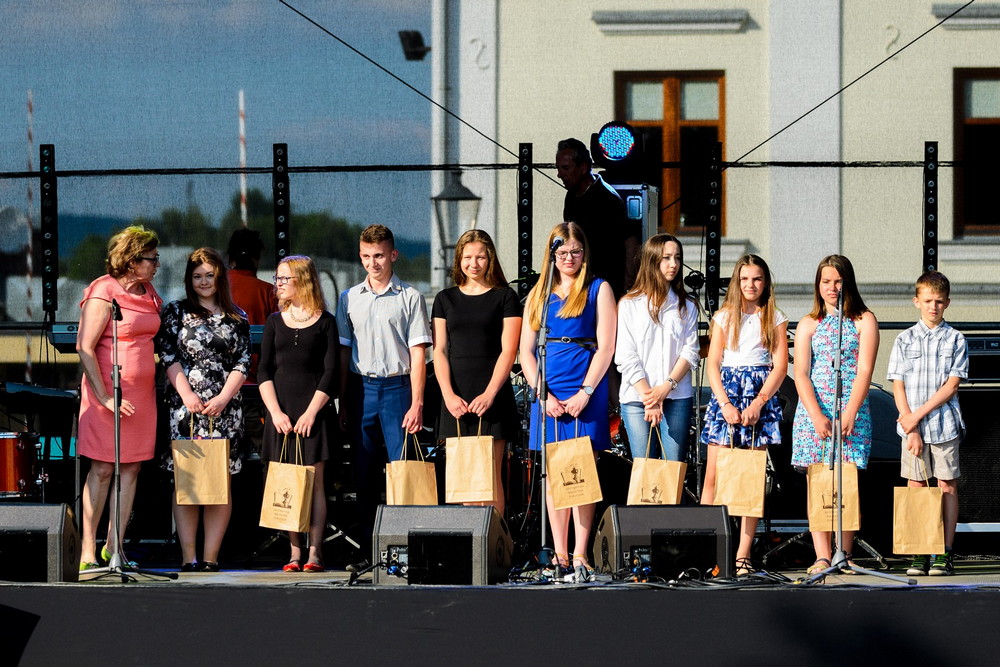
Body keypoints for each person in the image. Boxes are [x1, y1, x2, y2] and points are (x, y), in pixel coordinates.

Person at [519, 221, 616, 575]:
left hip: (584, 383)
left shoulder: (598, 289)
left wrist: (586, 393)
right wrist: (540, 393)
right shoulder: (539, 293)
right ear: (552, 254)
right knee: (554, 470)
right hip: (549, 387)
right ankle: (559, 552)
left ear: (584, 253)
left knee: (580, 471)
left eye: (575, 251)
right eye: (562, 252)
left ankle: (580, 552)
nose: (569, 258)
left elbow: (606, 347)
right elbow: (526, 352)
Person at [337, 224, 432, 555]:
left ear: (393, 255)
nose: (372, 263)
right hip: (361, 390)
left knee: (402, 471)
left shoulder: (411, 297)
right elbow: (344, 351)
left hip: (398, 389)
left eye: (378, 255)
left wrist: (417, 402)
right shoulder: (347, 298)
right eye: (366, 256)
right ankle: (368, 549)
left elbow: (419, 354)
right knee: (364, 473)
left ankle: (405, 546)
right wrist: (344, 402)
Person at [156, 247, 250, 572]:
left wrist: (224, 397)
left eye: (209, 275)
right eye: (197, 276)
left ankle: (210, 557)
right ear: (189, 279)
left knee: (218, 481)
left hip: (225, 408)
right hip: (186, 410)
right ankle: (188, 557)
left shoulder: (238, 316)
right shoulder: (176, 311)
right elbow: (168, 355)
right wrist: (187, 396)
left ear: (220, 276)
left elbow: (243, 362)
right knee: (188, 481)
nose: (203, 281)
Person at [76, 225, 162, 570]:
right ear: (130, 260)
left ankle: (115, 548)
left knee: (131, 468)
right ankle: (85, 550)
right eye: (151, 258)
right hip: (106, 392)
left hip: (141, 395)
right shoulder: (103, 290)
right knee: (101, 468)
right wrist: (105, 396)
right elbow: (84, 347)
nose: (157, 264)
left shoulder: (149, 291)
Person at [699, 255, 788, 576]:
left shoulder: (774, 317)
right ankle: (708, 549)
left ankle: (742, 554)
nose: (751, 285)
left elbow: (780, 366)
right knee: (714, 477)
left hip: (759, 398)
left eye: (757, 279)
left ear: (766, 283)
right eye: (745, 279)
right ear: (737, 282)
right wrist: (724, 403)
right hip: (727, 395)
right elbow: (713, 363)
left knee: (751, 479)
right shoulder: (723, 317)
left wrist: (760, 402)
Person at [791, 254, 879, 576]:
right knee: (820, 481)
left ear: (848, 282)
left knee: (846, 481)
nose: (832, 287)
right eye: (825, 281)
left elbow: (864, 370)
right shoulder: (808, 323)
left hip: (850, 409)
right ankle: (822, 555)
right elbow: (801, 373)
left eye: (837, 281)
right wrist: (816, 415)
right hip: (816, 410)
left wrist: (851, 412)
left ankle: (845, 552)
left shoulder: (863, 320)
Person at [432, 229, 522, 516]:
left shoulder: (505, 297)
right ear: (459, 260)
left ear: (490, 259)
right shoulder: (444, 299)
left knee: (489, 480)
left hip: (492, 396)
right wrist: (448, 395)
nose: (474, 263)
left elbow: (509, 351)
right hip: (456, 398)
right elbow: (440, 350)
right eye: (468, 257)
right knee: (462, 480)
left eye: (480, 257)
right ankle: (468, 549)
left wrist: (490, 394)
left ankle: (493, 546)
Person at [258, 255, 339, 573]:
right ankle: (294, 551)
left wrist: (310, 413)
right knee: (286, 482)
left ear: (302, 280)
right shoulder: (274, 321)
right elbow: (263, 369)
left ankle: (315, 552)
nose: (277, 284)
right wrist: (275, 412)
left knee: (315, 483)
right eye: (277, 278)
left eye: (283, 278)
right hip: (281, 414)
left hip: (313, 413)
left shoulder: (325, 321)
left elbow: (331, 372)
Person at [887, 271, 968, 576]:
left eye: (939, 301)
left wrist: (915, 417)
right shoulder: (904, 338)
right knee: (917, 486)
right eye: (927, 301)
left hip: (943, 424)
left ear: (947, 303)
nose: (933, 306)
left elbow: (951, 386)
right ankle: (920, 550)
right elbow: (898, 384)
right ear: (916, 302)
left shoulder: (955, 339)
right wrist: (911, 427)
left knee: (946, 485)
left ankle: (943, 552)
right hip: (912, 429)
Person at [615, 234, 700, 463]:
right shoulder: (629, 304)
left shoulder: (687, 305)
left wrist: (666, 387)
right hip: (636, 397)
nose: (674, 264)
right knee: (645, 470)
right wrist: (650, 398)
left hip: (676, 395)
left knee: (673, 468)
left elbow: (690, 351)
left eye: (677, 258)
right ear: (652, 260)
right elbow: (625, 355)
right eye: (666, 258)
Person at [556, 137, 640, 300]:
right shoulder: (571, 197)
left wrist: (627, 290)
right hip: (580, 284)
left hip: (607, 287)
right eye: (558, 168)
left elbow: (631, 244)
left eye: (565, 168)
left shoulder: (607, 199)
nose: (560, 174)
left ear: (583, 167)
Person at [226, 228, 278, 382]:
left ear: (231, 258)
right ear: (256, 258)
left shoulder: (212, 288)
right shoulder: (268, 291)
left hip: (218, 380)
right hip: (256, 381)